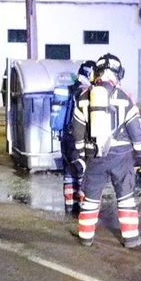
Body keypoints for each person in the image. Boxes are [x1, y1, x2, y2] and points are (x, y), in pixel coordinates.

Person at [70, 53, 141, 248]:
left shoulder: (84, 97)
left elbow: (77, 130)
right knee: (125, 197)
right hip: (121, 158)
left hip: (94, 157)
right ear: (118, 74)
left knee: (90, 198)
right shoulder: (124, 98)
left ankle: (86, 237)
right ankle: (131, 238)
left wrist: (81, 155)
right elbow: (136, 131)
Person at [59, 60, 96, 215]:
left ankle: (69, 208)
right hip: (78, 139)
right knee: (82, 175)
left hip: (64, 139)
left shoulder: (68, 90)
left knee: (69, 175)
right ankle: (82, 211)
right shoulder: (86, 92)